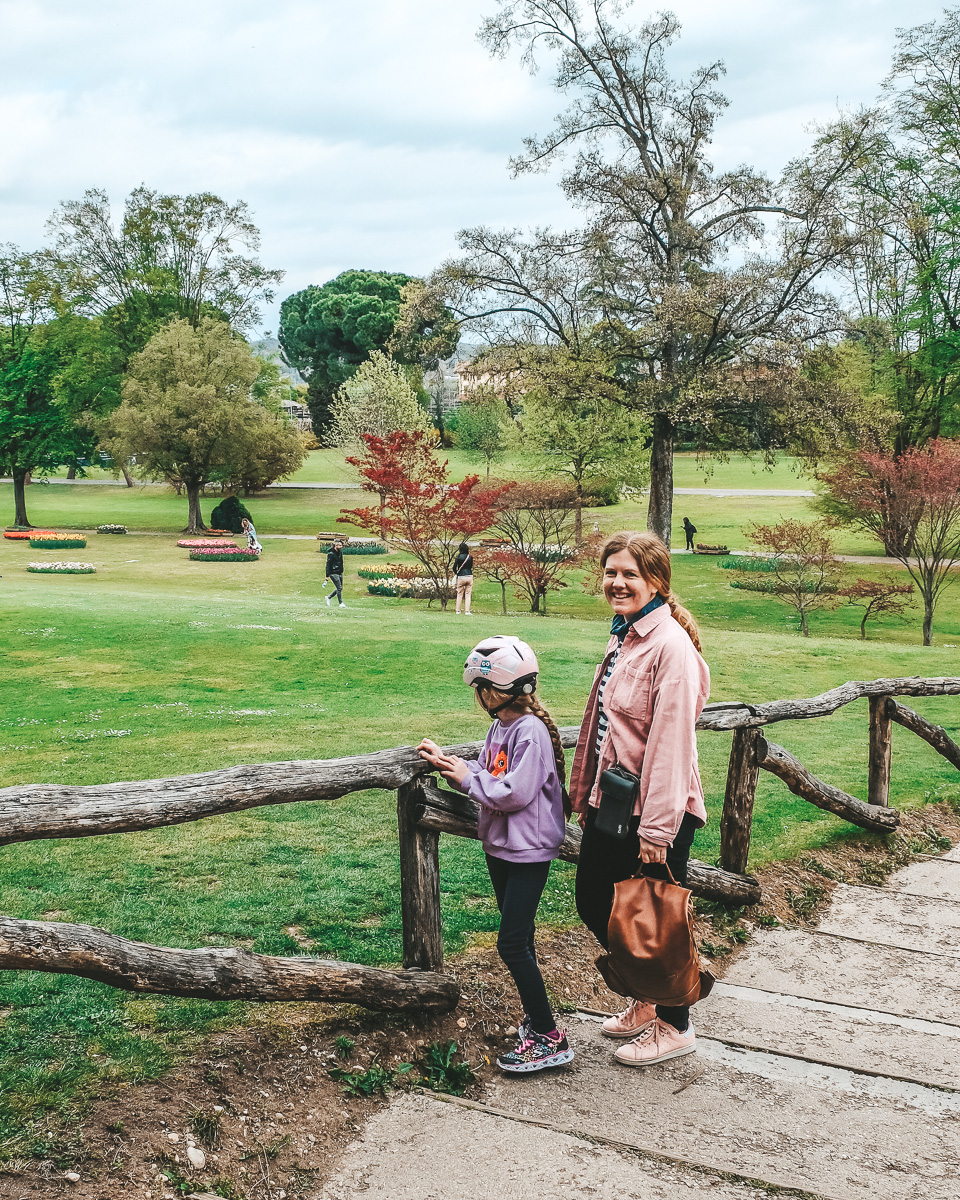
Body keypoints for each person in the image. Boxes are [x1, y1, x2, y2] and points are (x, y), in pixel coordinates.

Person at [570, 531, 710, 1067]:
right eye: (611, 572)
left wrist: (658, 831)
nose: (617, 582)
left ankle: (676, 1025)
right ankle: (648, 1000)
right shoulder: (627, 636)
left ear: (656, 581)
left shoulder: (669, 647)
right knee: (596, 903)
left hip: (654, 813)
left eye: (629, 573)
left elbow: (672, 743)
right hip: (615, 804)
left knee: (653, 921)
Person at [418, 635, 574, 1074]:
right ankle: (540, 1024)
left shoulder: (530, 731)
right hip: (503, 846)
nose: (477, 698)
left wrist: (468, 778)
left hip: (527, 850)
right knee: (520, 939)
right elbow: (488, 773)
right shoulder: (501, 727)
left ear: (492, 691)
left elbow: (512, 792)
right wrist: (452, 765)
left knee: (510, 943)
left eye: (477, 690)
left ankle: (549, 1035)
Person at [453, 541, 474, 615]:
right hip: (469, 576)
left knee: (459, 594)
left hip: (461, 576)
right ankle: (467, 611)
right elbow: (471, 566)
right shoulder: (470, 557)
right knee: (468, 594)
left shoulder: (458, 557)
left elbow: (454, 568)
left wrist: (457, 573)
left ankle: (458, 611)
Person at [325, 539, 345, 608]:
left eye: (341, 545)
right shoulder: (331, 554)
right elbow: (328, 564)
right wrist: (327, 575)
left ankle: (328, 597)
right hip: (333, 572)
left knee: (340, 588)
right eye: (339, 545)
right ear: (335, 545)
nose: (341, 546)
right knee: (339, 587)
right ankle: (340, 603)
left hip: (339, 572)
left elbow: (341, 562)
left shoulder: (340, 553)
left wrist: (341, 570)